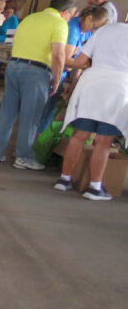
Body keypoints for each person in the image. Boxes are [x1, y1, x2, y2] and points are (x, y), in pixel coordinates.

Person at [0, 0, 77, 169]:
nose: (70, 19)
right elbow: (59, 55)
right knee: (30, 117)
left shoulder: (30, 18)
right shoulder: (59, 23)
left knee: (7, 113)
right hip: (36, 72)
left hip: (14, 66)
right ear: (65, 12)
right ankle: (24, 157)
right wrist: (57, 79)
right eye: (71, 15)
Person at [53, 20, 128, 200]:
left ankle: (64, 180)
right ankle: (94, 188)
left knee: (79, 135)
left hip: (91, 84)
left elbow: (80, 61)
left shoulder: (105, 30)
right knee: (103, 142)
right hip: (119, 88)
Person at [36, 5, 109, 135]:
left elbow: (80, 58)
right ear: (89, 18)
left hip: (62, 73)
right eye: (94, 27)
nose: (94, 31)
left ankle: (39, 135)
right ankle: (36, 136)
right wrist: (85, 65)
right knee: (45, 108)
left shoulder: (86, 31)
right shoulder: (73, 29)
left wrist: (74, 83)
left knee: (51, 108)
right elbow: (66, 59)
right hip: (51, 71)